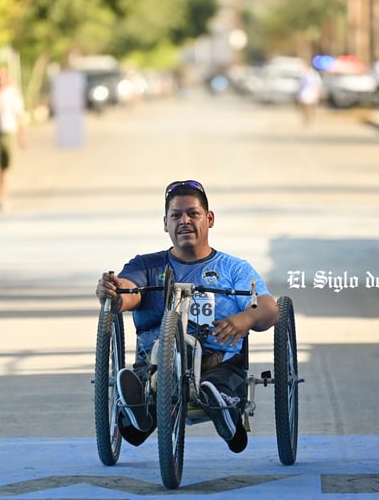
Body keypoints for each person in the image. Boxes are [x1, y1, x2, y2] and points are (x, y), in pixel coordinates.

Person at [96, 180, 279, 452]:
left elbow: (268, 308)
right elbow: (128, 291)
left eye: (193, 213)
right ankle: (139, 412)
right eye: (176, 215)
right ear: (165, 223)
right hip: (158, 365)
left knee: (215, 385)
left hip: (218, 364)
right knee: (146, 388)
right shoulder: (146, 265)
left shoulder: (234, 268)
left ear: (210, 218)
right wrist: (112, 290)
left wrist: (246, 319)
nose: (184, 221)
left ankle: (224, 411)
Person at [0, 66, 27, 212]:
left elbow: (19, 114)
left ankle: (2, 196)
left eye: (1, 76)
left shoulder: (12, 93)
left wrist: (22, 134)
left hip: (8, 132)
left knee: (4, 168)